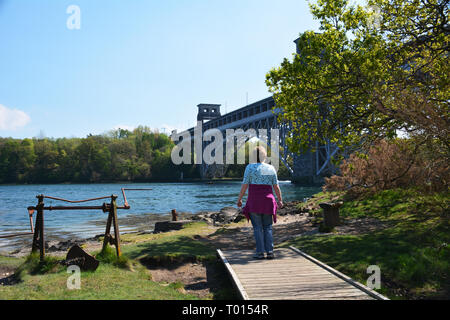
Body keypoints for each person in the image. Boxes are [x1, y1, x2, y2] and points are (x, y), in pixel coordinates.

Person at [237, 146, 283, 259]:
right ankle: (270, 252)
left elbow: (244, 185)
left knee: (257, 227)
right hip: (268, 201)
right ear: (264, 156)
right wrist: (280, 200)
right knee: (268, 227)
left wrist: (239, 199)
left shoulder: (249, 168)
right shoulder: (271, 168)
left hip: (254, 201)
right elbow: (276, 187)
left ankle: (260, 253)